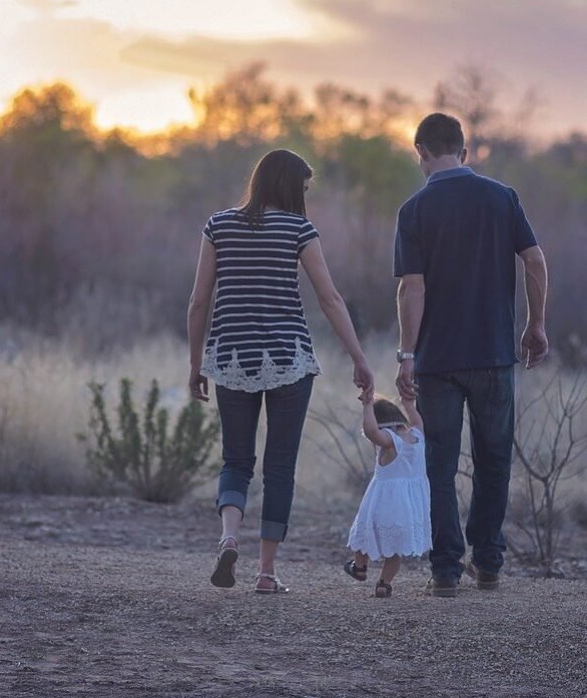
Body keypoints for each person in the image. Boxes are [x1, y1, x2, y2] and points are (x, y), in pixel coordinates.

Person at [187, 149, 374, 594]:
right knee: (280, 467)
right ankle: (266, 573)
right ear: (290, 186)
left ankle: (229, 536)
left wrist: (197, 364)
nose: (305, 197)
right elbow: (330, 299)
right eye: (304, 188)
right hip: (289, 358)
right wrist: (359, 357)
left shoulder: (218, 225)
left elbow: (198, 302)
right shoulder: (298, 229)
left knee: (236, 459)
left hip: (231, 357)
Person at [394, 112, 549, 597]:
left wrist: (405, 354)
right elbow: (535, 260)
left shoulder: (414, 209)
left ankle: (444, 570)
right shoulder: (502, 198)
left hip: (438, 360)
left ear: (420, 152)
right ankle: (488, 563)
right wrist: (535, 324)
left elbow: (411, 289)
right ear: (464, 151)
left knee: (439, 464)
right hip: (495, 354)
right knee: (494, 459)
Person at [344, 395, 431, 597]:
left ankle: (359, 567)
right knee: (396, 549)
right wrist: (409, 404)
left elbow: (371, 431)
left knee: (365, 533)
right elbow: (417, 420)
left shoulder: (391, 442)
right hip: (408, 507)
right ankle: (384, 583)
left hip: (383, 503)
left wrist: (367, 406)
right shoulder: (417, 436)